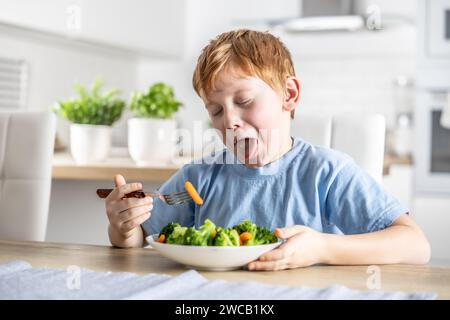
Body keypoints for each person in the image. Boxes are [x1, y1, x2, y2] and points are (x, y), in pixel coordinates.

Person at [104, 29, 430, 270]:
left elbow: (415, 245)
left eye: (244, 101)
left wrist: (323, 248)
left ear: (289, 94)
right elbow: (139, 241)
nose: (228, 121)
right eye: (215, 111)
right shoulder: (198, 177)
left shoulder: (327, 173)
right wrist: (123, 226)